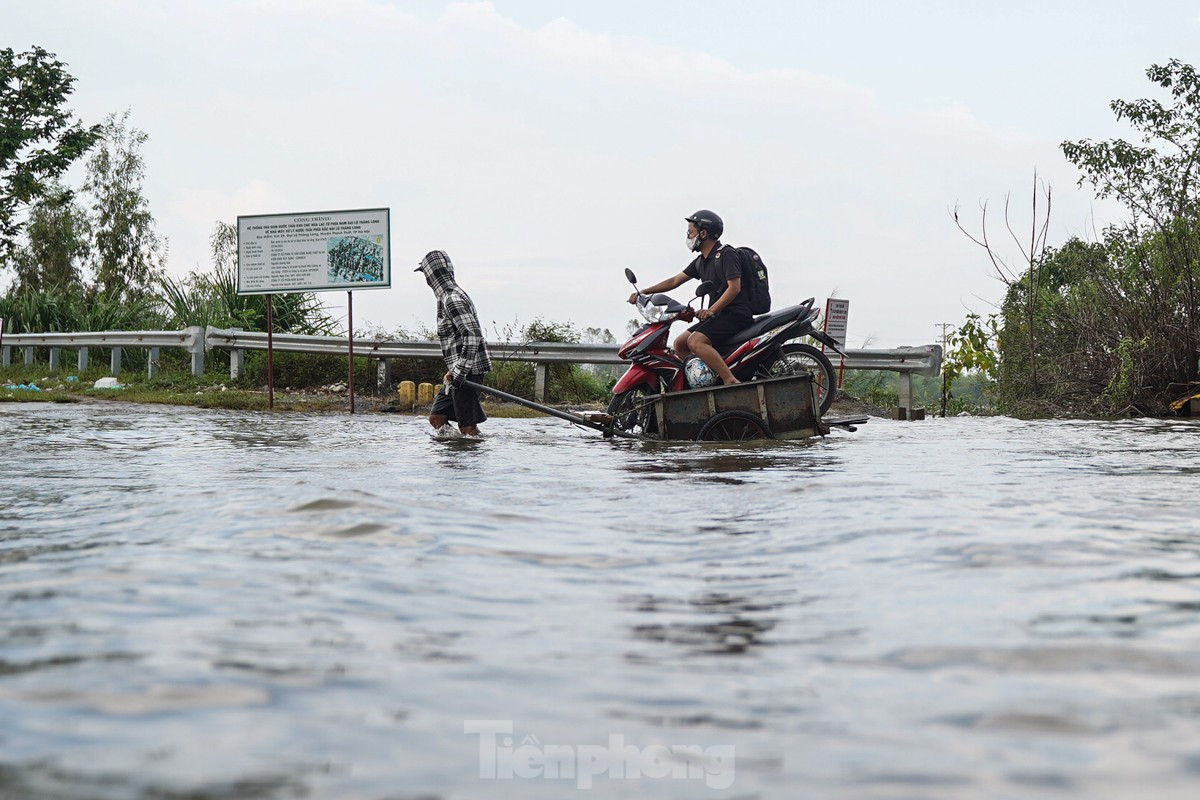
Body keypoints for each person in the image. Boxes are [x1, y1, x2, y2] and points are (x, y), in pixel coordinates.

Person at [626, 210, 750, 385]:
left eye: (690, 232)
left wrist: (711, 309)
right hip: (719, 316)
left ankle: (729, 379)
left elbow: (734, 288)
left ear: (703, 233)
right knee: (680, 343)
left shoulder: (726, 254)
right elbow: (675, 281)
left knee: (695, 341)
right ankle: (704, 380)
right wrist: (644, 292)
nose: (688, 236)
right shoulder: (702, 261)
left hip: (736, 314)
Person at [415, 250, 493, 435]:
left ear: (431, 275)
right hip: (459, 372)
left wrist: (460, 371)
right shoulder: (445, 297)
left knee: (467, 427)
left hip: (468, 373)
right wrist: (454, 369)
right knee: (437, 418)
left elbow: (472, 336)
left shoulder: (452, 299)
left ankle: (470, 458)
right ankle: (454, 454)